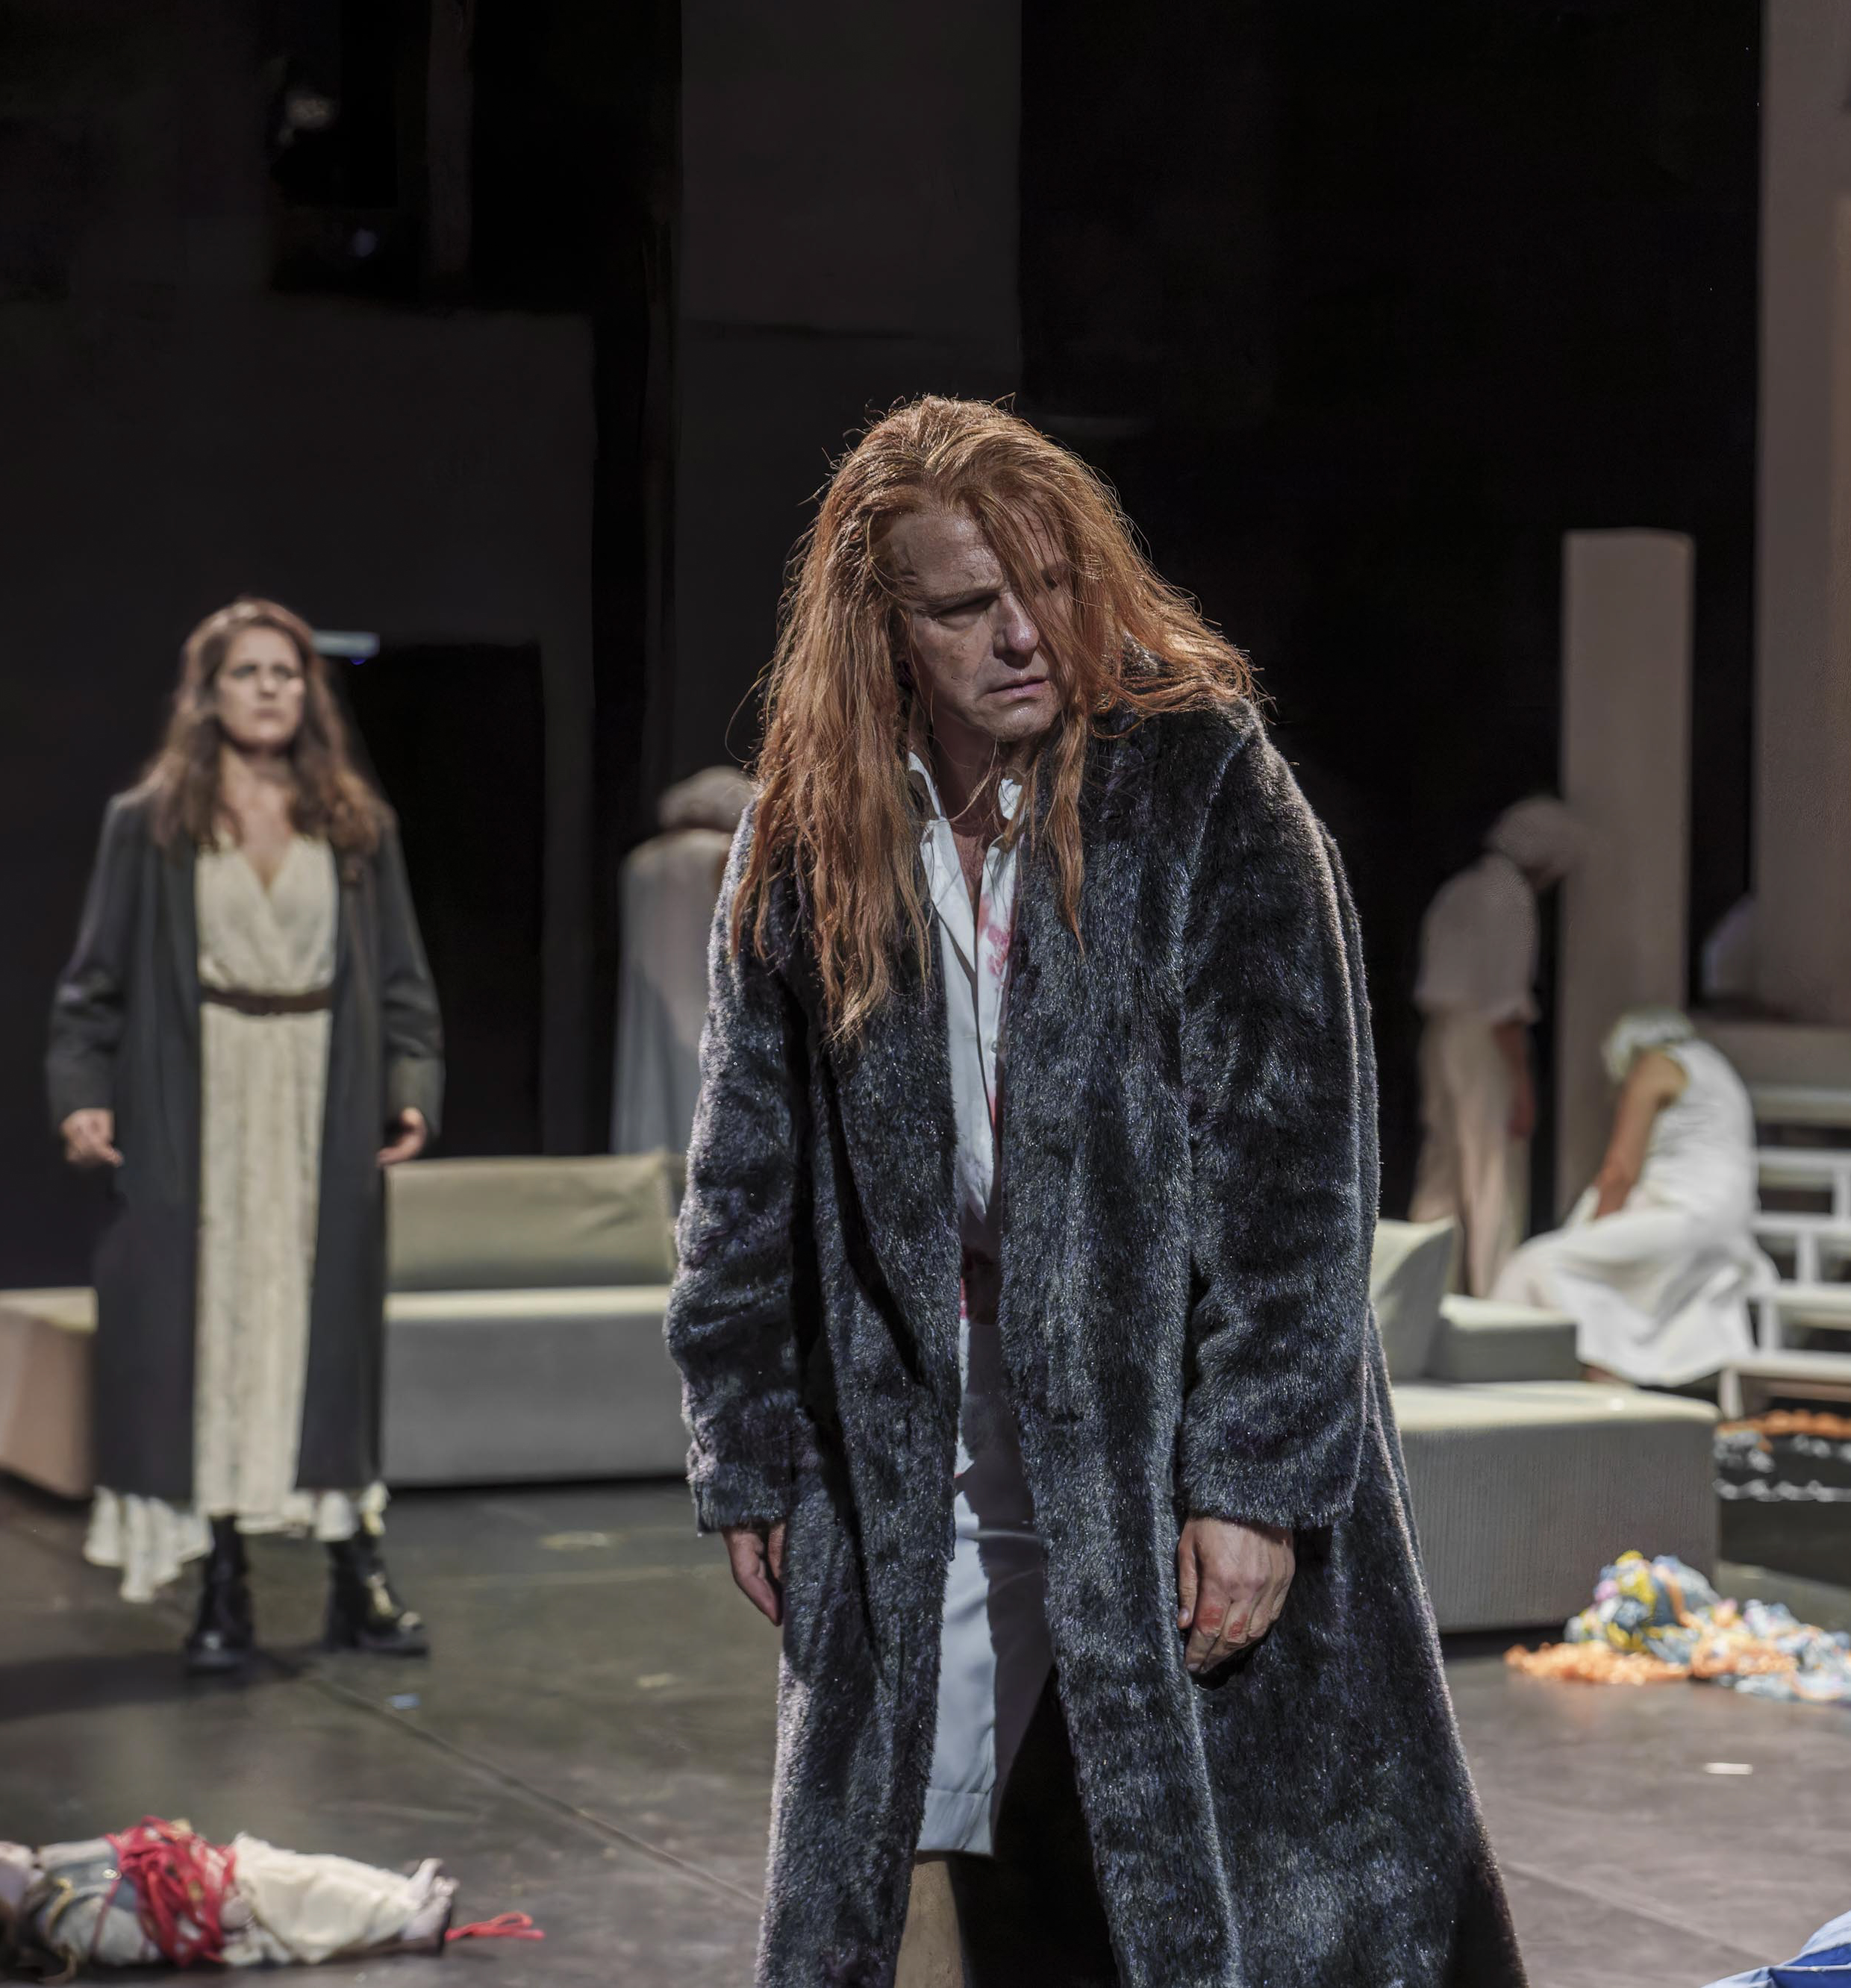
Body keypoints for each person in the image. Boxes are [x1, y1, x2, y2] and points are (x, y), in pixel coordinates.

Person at [665, 396, 1522, 1986]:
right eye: (962, 604)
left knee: (1233, 1878)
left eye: (1048, 584)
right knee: (921, 1864)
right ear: (882, 628)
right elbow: (741, 1174)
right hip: (920, 1426)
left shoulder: (1200, 784)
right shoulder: (808, 833)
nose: (1021, 634)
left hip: (1163, 1421)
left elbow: (1296, 1173)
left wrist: (1254, 1476)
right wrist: (750, 1442)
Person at [47, 597, 445, 1672]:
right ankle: (222, 1579)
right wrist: (82, 1093)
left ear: (309, 692)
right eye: (247, 671)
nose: (269, 688)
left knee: (324, 1336)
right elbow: (93, 985)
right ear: (208, 692)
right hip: (203, 1094)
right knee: (214, 1331)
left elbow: (402, 980)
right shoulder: (152, 823)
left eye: (286, 671)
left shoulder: (354, 825)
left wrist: (410, 1083)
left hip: (322, 1095)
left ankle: (354, 1572)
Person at [1493, 1007, 1767, 1387]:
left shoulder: (1655, 1064)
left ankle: (1574, 1373)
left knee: (1534, 1264)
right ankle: (1600, 1371)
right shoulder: (1713, 1063)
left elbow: (1620, 1170)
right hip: (1725, 1223)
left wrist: (1591, 1235)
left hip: (1686, 1218)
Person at [0, 1820, 489, 1976]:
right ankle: (405, 1920)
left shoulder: (49, 1865)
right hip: (222, 1910)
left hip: (216, 1873)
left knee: (317, 1869)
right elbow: (140, 1940)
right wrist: (217, 1922)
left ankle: (395, 1891)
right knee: (315, 1900)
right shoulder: (65, 1917)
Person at [1411, 795, 1586, 1295]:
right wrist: (1522, 1083)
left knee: (1442, 1170)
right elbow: (1504, 1005)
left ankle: (1422, 1295)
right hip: (1482, 1040)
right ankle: (1495, 1300)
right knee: (1493, 1175)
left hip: (1440, 1034)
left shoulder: (1459, 888)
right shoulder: (1510, 897)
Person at [612, 766, 758, 1155]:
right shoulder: (723, 855)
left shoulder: (640, 862)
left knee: (651, 1094)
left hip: (653, 1005)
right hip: (707, 1001)